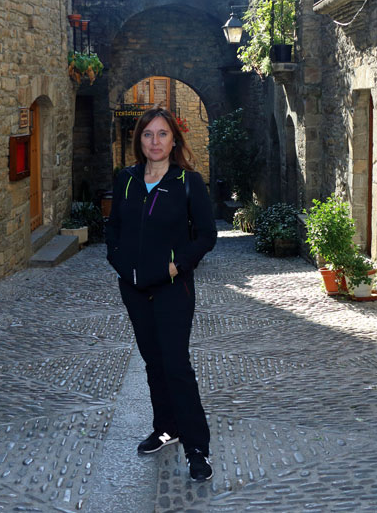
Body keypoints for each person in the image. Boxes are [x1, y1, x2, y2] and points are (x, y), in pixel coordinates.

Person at [105, 107, 218, 482]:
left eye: (162, 134)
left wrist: (176, 266)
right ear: (139, 140)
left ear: (174, 140)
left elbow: (206, 235)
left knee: (176, 365)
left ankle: (197, 447)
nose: (155, 142)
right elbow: (114, 231)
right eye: (148, 135)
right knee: (153, 362)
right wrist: (122, 266)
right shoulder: (126, 180)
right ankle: (166, 428)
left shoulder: (188, 182)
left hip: (173, 288)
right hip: (135, 290)